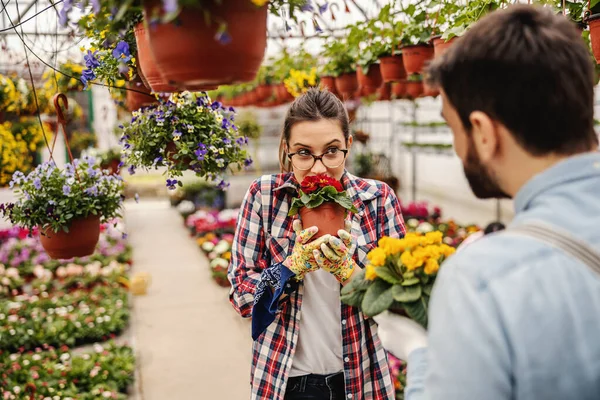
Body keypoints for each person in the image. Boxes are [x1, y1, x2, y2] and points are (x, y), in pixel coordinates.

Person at [373, 4, 600, 400]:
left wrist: (420, 353)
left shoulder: (484, 279)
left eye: (451, 125)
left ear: (482, 131)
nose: (457, 146)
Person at [228, 88, 406, 400]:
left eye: (332, 151)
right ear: (287, 149)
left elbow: (401, 297)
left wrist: (350, 272)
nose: (319, 167)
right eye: (304, 153)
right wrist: (289, 268)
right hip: (287, 382)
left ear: (348, 146)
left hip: (361, 381)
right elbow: (241, 294)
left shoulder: (377, 199)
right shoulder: (264, 196)